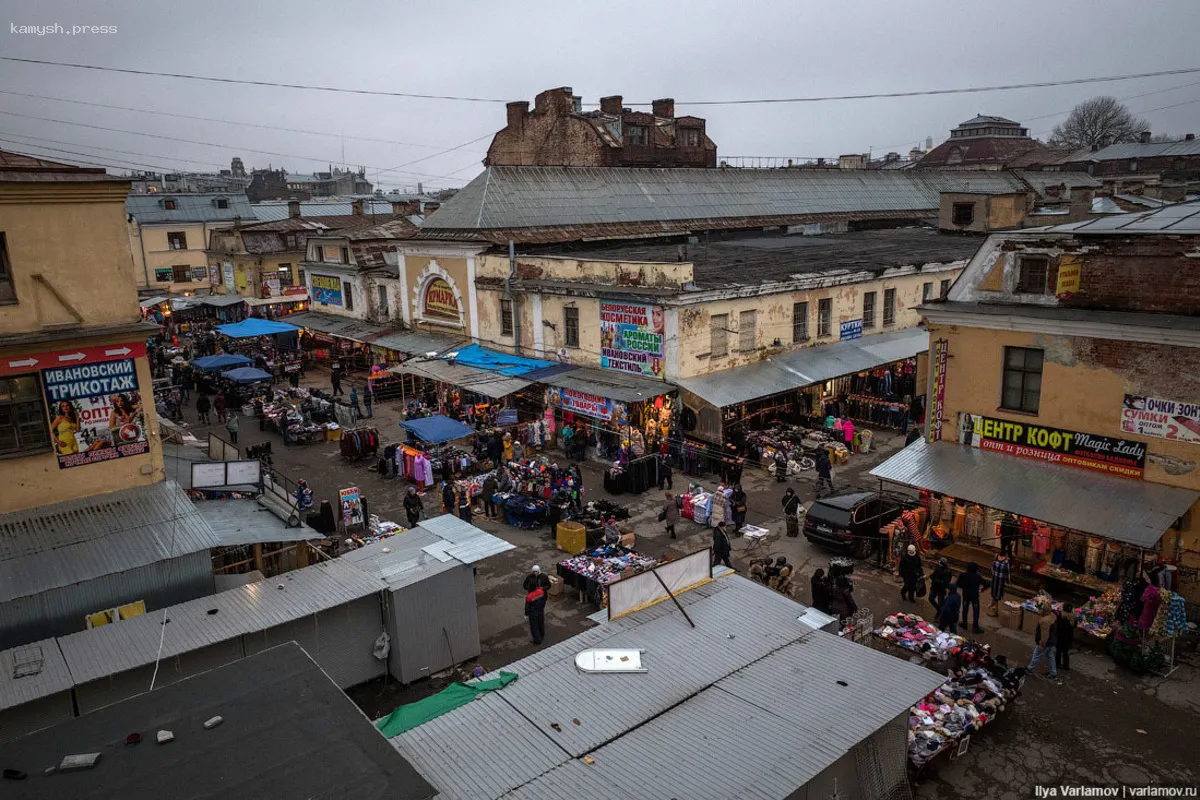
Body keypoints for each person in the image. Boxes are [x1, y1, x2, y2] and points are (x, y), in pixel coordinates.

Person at [1028, 604, 1059, 679]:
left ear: (1044, 611)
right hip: (1052, 641)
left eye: (1041, 609)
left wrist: (1041, 644)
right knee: (1050, 656)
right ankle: (1053, 672)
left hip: (1046, 642)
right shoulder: (1052, 615)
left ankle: (1029, 669)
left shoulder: (1045, 621)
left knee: (1036, 654)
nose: (1039, 611)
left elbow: (1045, 635)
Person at [957, 561, 988, 634]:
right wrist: (982, 590)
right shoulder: (977, 576)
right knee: (976, 611)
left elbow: (958, 584)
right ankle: (975, 627)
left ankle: (964, 624)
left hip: (966, 595)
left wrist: (964, 587)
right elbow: (987, 583)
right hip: (975, 596)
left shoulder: (963, 575)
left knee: (965, 610)